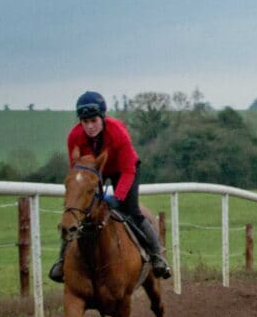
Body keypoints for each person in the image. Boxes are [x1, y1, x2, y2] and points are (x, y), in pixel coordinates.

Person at [48, 91, 172, 282]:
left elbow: (128, 171)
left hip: (124, 169)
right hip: (95, 170)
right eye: (85, 121)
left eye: (93, 121)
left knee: (130, 210)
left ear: (102, 118)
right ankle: (62, 260)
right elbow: (76, 170)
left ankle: (157, 255)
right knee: (76, 213)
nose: (89, 126)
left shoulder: (117, 133)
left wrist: (119, 197)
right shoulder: (74, 136)